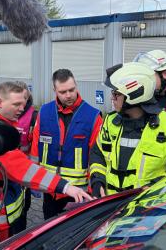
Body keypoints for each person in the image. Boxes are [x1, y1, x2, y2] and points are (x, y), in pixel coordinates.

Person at [0, 81, 93, 239]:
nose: (21, 109)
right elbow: (22, 168)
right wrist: (65, 187)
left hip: (6, 215)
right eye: (16, 104)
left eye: (23, 104)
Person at [89, 62, 166, 198]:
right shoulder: (110, 122)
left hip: (147, 213)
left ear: (134, 94)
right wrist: (97, 181)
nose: (112, 98)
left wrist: (155, 187)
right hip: (111, 208)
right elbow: (97, 154)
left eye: (116, 94)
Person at [29, 69, 102, 220]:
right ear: (54, 90)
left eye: (71, 90)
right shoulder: (44, 112)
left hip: (79, 194)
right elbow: (35, 150)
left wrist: (93, 188)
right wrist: (33, 180)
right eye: (63, 92)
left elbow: (97, 157)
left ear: (76, 86)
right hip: (50, 190)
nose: (68, 95)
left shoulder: (93, 115)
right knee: (49, 232)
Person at [14, 81, 39, 230]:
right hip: (6, 170)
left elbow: (36, 148)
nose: (19, 102)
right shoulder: (4, 112)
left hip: (24, 172)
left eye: (22, 97)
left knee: (23, 208)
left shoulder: (33, 117)